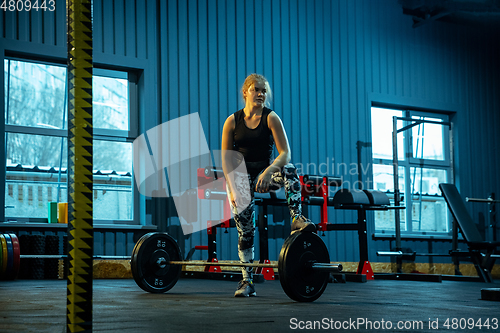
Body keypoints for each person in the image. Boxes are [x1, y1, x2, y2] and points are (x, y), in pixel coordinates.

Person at [221, 73, 315, 297]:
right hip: (241, 178)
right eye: (256, 90)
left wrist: (268, 171)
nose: (261, 94)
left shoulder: (271, 118)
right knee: (246, 232)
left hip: (267, 174)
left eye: (264, 90)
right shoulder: (232, 121)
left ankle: (296, 218)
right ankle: (247, 282)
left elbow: (285, 154)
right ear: (246, 92)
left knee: (290, 169)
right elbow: (226, 159)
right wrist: (234, 188)